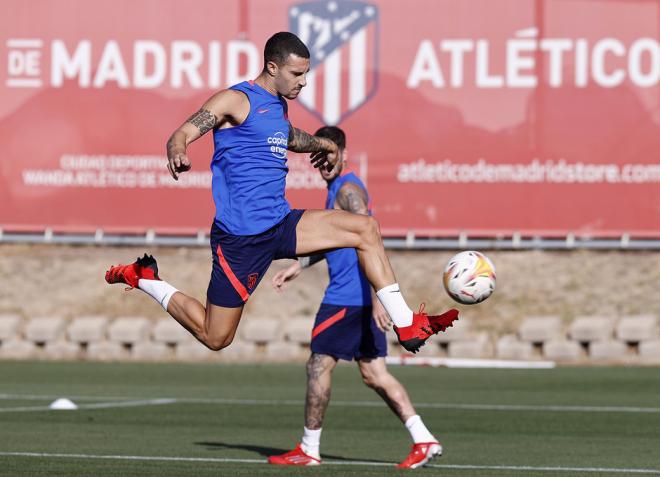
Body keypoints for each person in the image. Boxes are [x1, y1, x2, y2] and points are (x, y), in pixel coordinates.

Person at [105, 32, 459, 354]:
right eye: (296, 74)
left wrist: (323, 144)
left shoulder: (277, 106)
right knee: (216, 337)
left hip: (280, 224)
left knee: (365, 229)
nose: (303, 82)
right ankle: (146, 279)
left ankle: (407, 323)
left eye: (306, 74)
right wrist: (178, 150)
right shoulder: (235, 99)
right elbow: (182, 132)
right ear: (272, 67)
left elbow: (289, 137)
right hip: (240, 239)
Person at [267, 126, 443, 469]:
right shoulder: (338, 188)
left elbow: (368, 239)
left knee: (318, 364)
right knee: (375, 375)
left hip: (349, 298)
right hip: (358, 298)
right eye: (317, 157)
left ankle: (309, 448)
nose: (324, 163)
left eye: (329, 155)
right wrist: (302, 264)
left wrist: (380, 298)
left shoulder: (348, 191)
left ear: (343, 153)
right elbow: (340, 238)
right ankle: (424, 439)